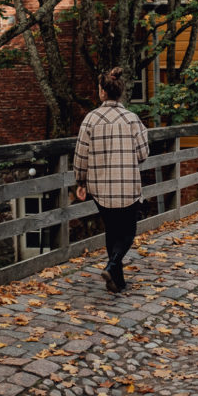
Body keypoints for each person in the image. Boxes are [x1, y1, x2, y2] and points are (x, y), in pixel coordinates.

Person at [74, 67, 149, 294]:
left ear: (102, 92)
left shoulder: (90, 119)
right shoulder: (131, 119)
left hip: (100, 187)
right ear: (119, 93)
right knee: (128, 231)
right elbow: (143, 153)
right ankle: (113, 265)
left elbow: (81, 154)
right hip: (127, 185)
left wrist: (80, 181)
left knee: (111, 229)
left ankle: (117, 280)